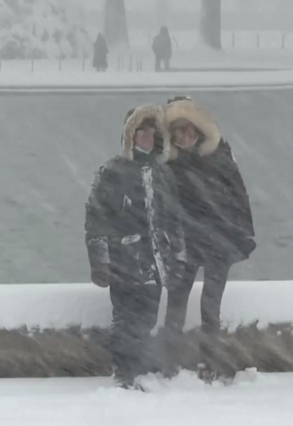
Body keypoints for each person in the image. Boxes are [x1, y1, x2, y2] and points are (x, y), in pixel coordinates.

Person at [84, 104, 186, 390]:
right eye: (141, 133)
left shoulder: (163, 173)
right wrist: (100, 260)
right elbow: (96, 218)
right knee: (126, 318)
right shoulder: (112, 171)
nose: (147, 138)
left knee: (147, 317)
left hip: (155, 261)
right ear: (130, 135)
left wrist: (177, 254)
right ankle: (124, 374)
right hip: (124, 259)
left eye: (152, 133)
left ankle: (136, 368)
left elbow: (173, 217)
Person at [160, 96, 256, 383]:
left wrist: (239, 234)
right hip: (185, 244)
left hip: (217, 243)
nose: (184, 137)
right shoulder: (168, 163)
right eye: (178, 132)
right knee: (176, 305)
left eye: (189, 131)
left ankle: (209, 365)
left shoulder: (218, 157)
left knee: (209, 308)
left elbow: (237, 198)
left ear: (198, 131)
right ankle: (169, 365)